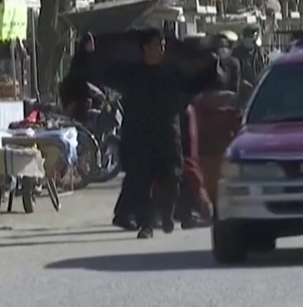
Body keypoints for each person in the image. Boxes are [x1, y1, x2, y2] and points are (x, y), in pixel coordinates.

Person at [82, 28, 219, 239]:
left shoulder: (172, 73)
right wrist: (90, 54)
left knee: (173, 178)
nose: (161, 49)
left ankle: (167, 214)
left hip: (167, 135)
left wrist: (212, 67)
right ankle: (145, 225)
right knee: (141, 181)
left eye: (163, 45)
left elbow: (194, 84)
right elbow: (104, 74)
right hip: (139, 136)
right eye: (157, 45)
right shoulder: (132, 74)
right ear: (146, 48)